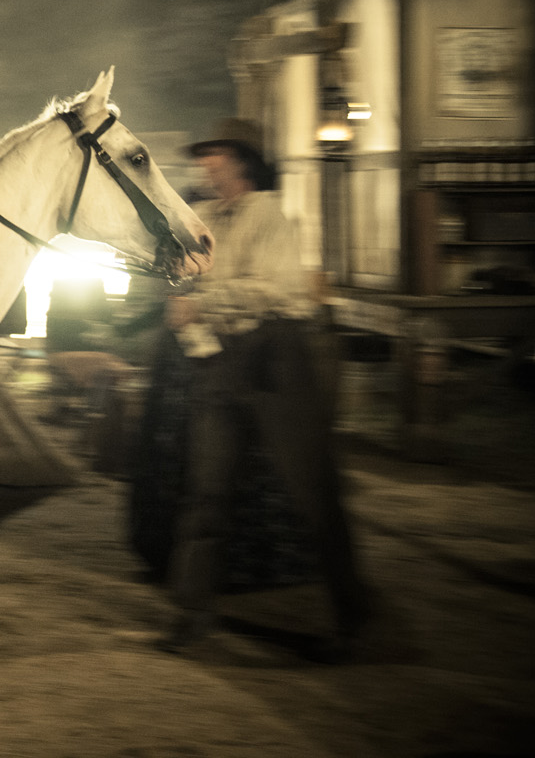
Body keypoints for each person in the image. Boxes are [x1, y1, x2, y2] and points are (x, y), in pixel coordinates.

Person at [154, 119, 372, 661]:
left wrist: (203, 304)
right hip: (222, 363)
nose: (206, 164)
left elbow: (275, 290)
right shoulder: (200, 218)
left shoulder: (268, 213)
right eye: (204, 155)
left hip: (279, 357)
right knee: (205, 491)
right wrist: (187, 312)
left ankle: (353, 622)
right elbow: (186, 281)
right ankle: (193, 614)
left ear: (242, 163)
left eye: (216, 154)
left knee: (311, 490)